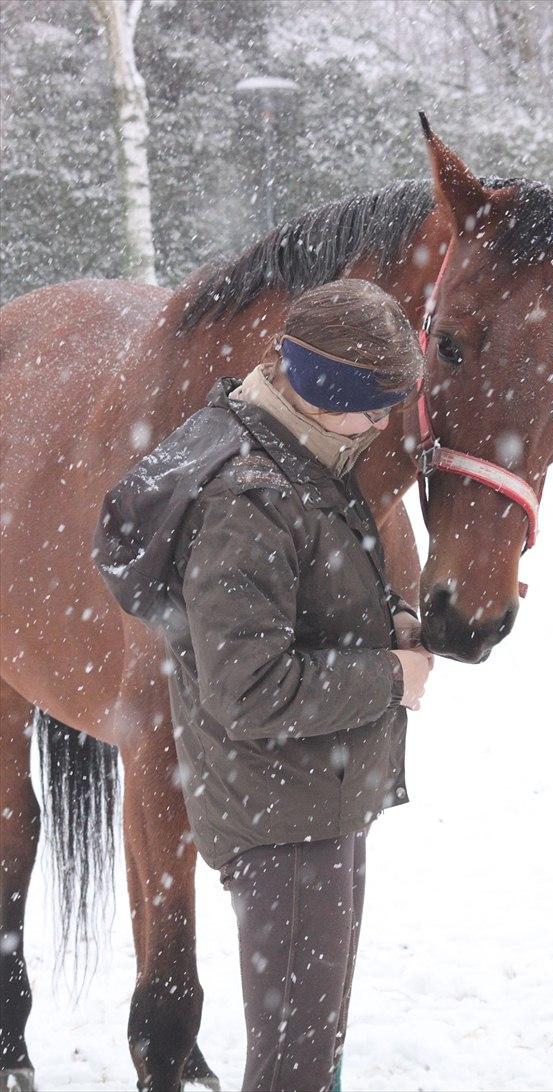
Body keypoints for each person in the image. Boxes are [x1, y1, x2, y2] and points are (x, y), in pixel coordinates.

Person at [93, 277, 435, 1092]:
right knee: (293, 1066)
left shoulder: (306, 453)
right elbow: (247, 690)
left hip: (318, 795)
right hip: (281, 819)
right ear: (323, 391)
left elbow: (306, 600)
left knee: (311, 1053)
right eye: (374, 404)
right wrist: (389, 676)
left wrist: (392, 625)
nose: (385, 423)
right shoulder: (249, 496)